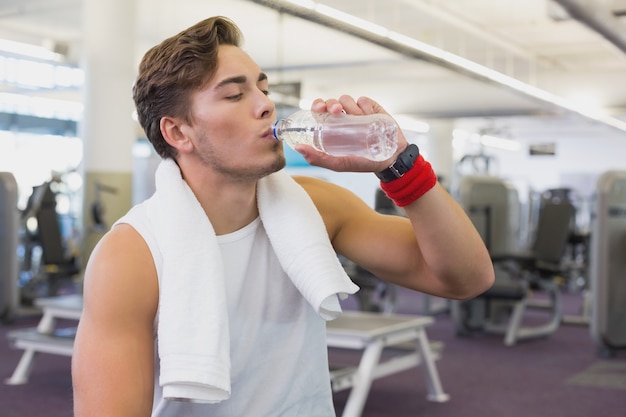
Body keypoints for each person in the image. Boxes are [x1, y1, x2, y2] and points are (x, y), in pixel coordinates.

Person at [72, 16, 494, 417]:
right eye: (236, 95)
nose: (266, 106)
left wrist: (398, 165)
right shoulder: (129, 257)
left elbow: (466, 278)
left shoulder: (314, 205)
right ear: (178, 132)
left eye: (263, 89)